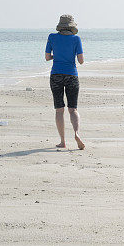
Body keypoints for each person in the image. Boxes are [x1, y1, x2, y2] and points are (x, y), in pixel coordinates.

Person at [45, 14, 85, 149]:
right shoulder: (76, 39)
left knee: (59, 110)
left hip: (56, 74)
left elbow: (47, 57)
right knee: (73, 109)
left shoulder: (52, 37)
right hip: (72, 75)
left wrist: (56, 55)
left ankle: (62, 141)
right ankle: (76, 133)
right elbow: (81, 60)